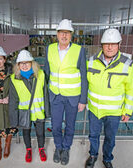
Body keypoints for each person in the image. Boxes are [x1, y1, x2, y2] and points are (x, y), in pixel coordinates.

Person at [85, 28, 133, 168]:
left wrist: (127, 111)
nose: (110, 47)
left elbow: (132, 90)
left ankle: (107, 159)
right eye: (106, 44)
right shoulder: (91, 61)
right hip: (94, 110)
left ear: (119, 45)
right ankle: (93, 156)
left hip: (114, 113)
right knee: (93, 136)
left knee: (110, 138)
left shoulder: (128, 65)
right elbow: (84, 83)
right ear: (102, 45)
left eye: (113, 44)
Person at [44, 19, 87, 165]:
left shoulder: (79, 50)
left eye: (67, 33)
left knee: (70, 125)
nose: (64, 36)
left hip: (73, 97)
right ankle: (58, 147)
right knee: (55, 125)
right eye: (62, 33)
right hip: (55, 95)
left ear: (71, 35)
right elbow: (47, 73)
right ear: (57, 34)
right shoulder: (49, 49)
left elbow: (84, 76)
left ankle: (66, 148)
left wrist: (83, 100)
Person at [9, 50, 50, 163]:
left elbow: (45, 94)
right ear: (18, 65)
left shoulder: (40, 75)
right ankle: (28, 149)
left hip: (38, 111)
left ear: (32, 63)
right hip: (24, 113)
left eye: (27, 62)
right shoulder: (14, 79)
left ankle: (41, 149)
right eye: (22, 63)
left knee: (40, 133)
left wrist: (47, 111)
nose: (25, 65)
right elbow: (13, 100)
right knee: (26, 132)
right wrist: (13, 119)